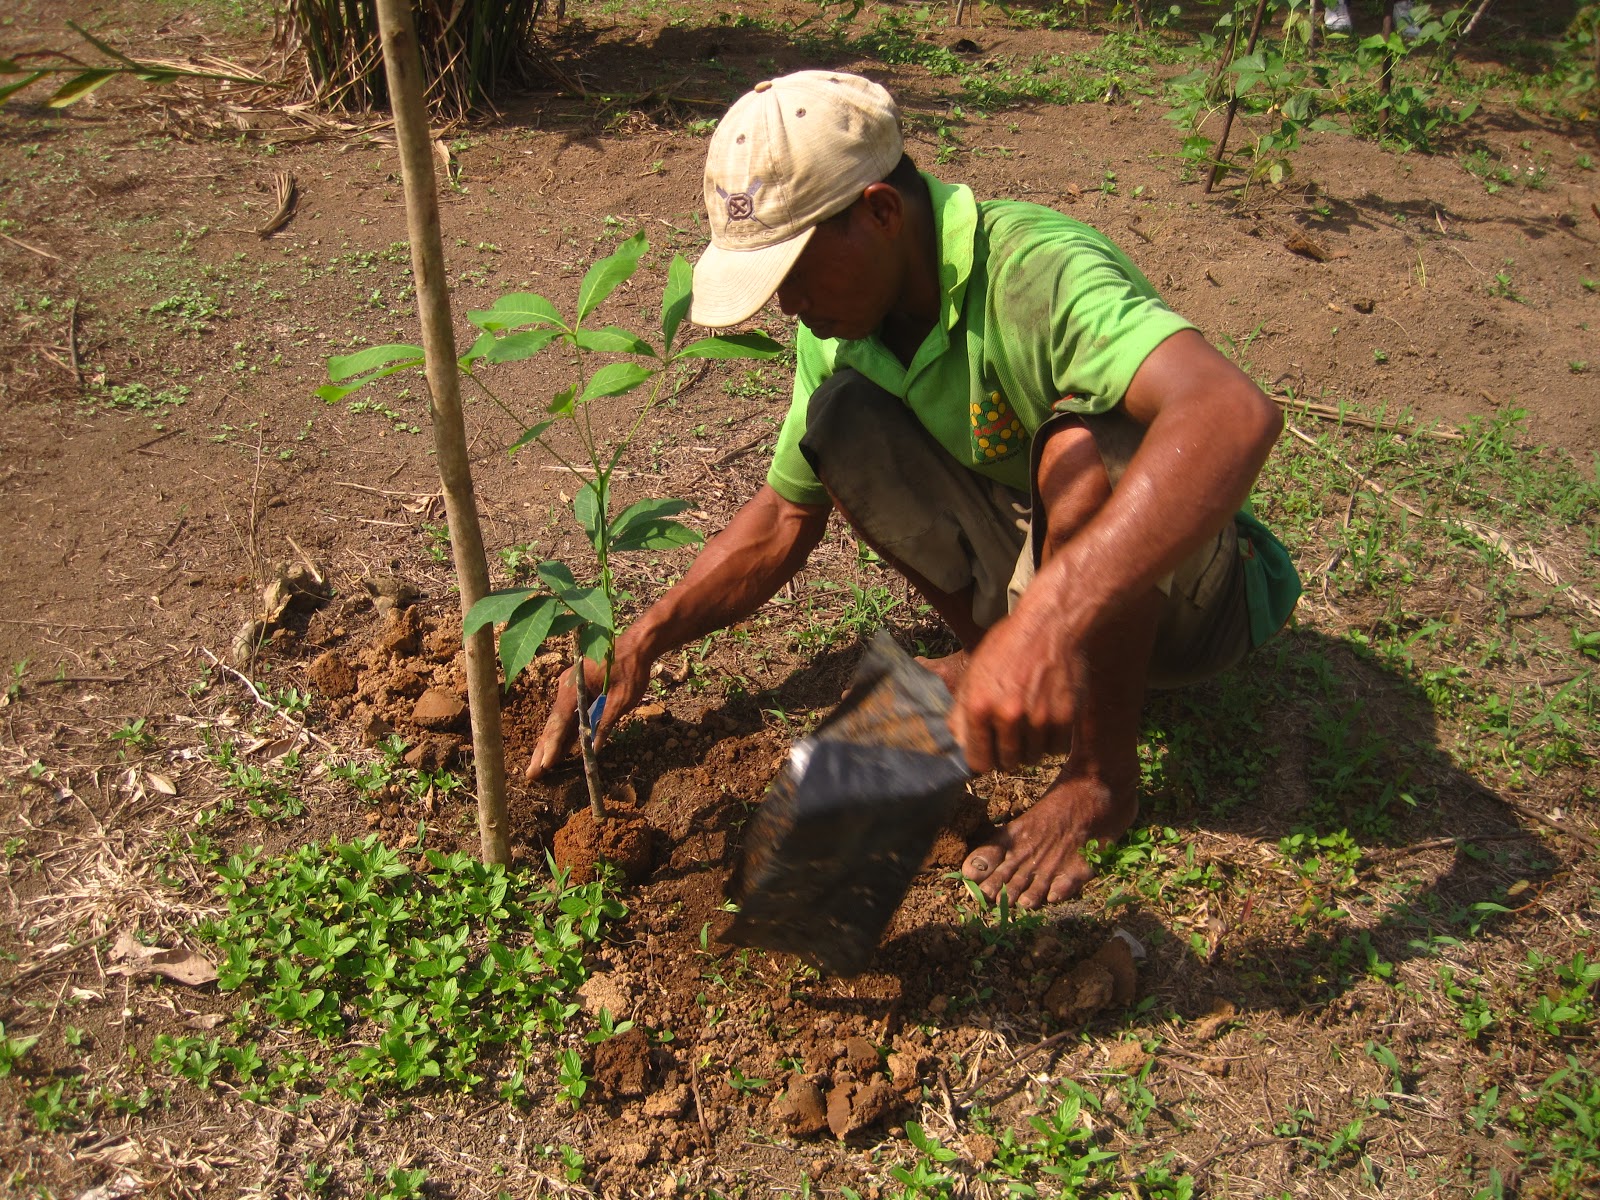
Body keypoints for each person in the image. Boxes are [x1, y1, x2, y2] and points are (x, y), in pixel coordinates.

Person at [527, 71, 1301, 909]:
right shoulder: (842, 328)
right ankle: (999, 660)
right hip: (1054, 573)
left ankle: (1099, 779)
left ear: (881, 213)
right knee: (842, 420)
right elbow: (784, 516)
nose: (789, 304)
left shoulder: (1036, 272)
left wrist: (1043, 623)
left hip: (1194, 602)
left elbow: (1232, 413)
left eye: (794, 273)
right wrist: (643, 638)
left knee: (1086, 447)